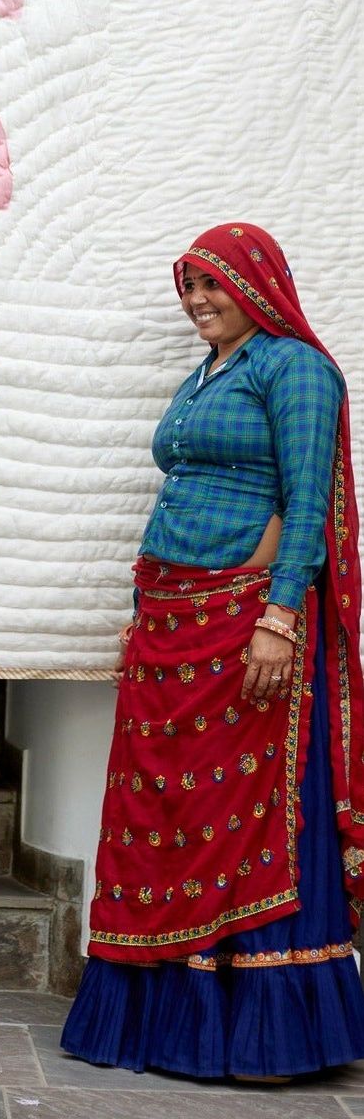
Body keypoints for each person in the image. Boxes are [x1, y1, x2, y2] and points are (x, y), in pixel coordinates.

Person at [61, 223, 364, 1080]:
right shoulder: (204, 374)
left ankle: (257, 1030)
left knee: (245, 818)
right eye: (188, 286)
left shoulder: (294, 367)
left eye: (213, 285)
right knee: (167, 819)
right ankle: (161, 1023)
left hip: (243, 619)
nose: (197, 300)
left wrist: (280, 615)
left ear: (258, 286)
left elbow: (306, 499)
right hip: (170, 620)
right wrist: (139, 615)